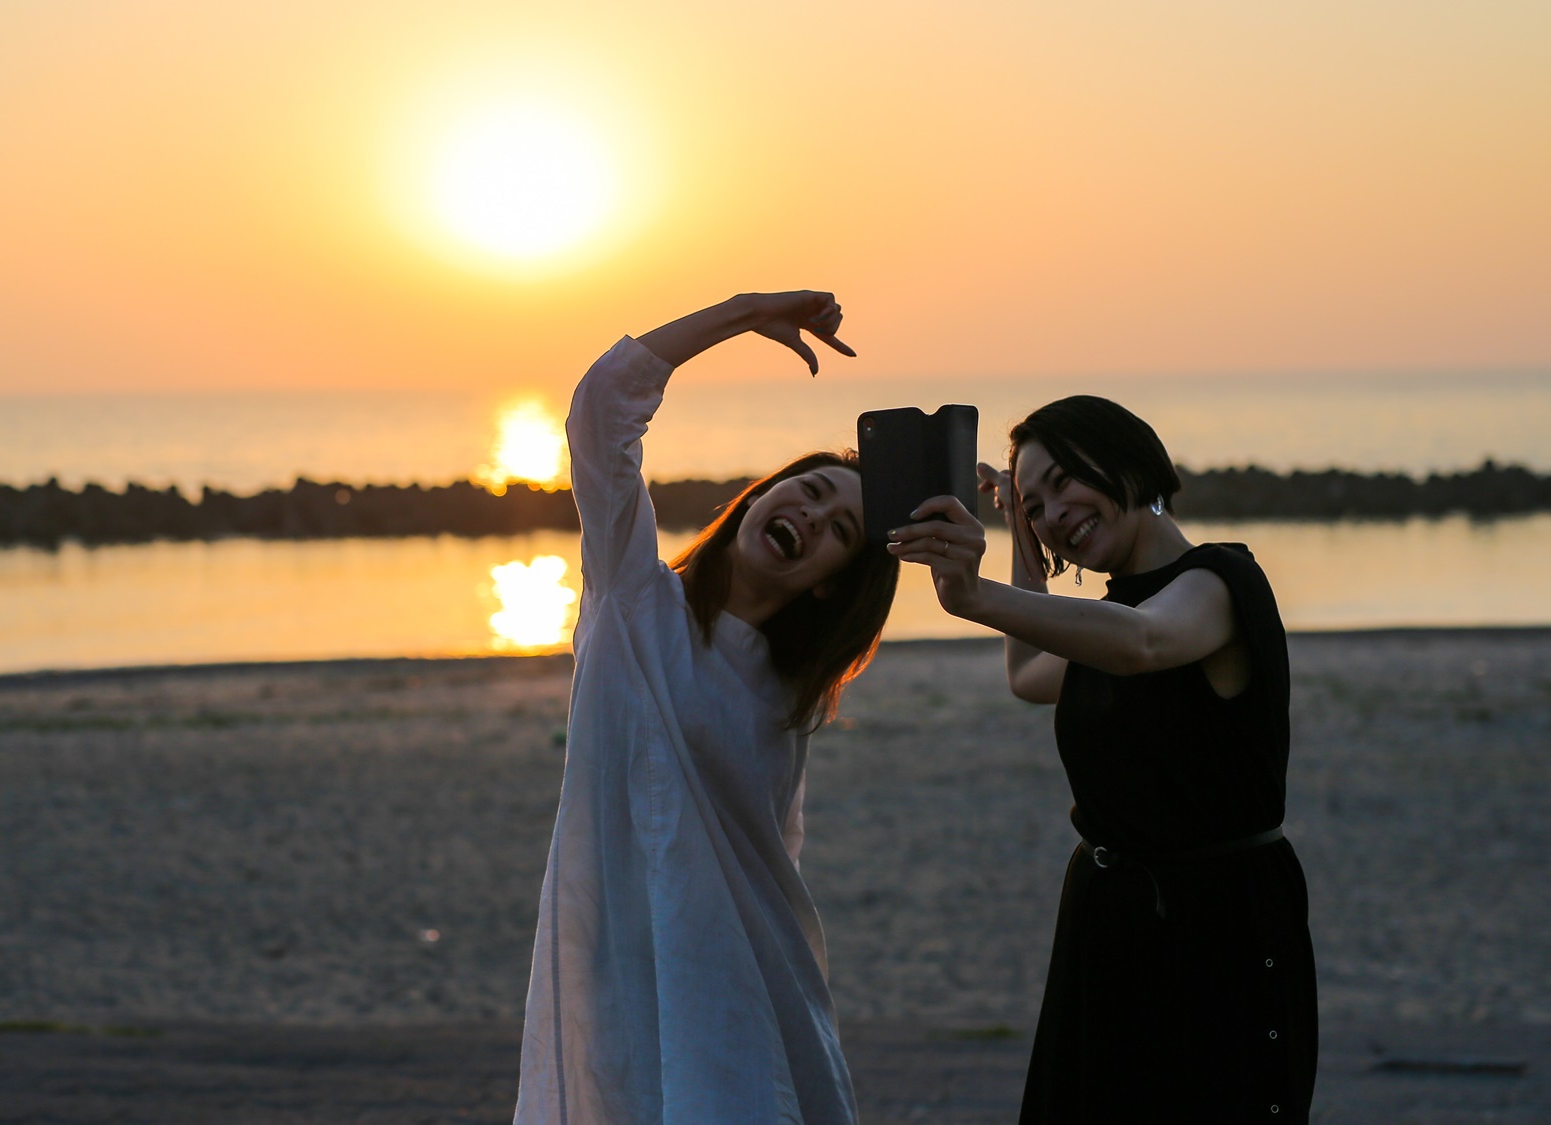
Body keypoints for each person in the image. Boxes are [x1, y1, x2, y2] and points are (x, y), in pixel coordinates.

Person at [515, 292, 900, 1124]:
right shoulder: (631, 603)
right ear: (760, 495)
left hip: (743, 991)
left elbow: (778, 854)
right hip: (619, 964)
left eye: (839, 528)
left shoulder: (788, 697)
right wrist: (742, 313)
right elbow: (600, 412)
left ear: (832, 578)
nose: (810, 513)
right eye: (807, 491)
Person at [886, 395, 1317, 1122]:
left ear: (1124, 457)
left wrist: (973, 595)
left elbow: (1143, 643)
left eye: (1062, 483)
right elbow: (1029, 676)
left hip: (1217, 928)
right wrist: (1021, 542)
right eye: (1034, 503)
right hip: (1108, 923)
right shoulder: (1106, 620)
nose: (1054, 512)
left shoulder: (1218, 583)